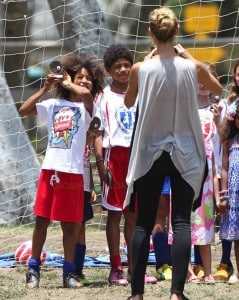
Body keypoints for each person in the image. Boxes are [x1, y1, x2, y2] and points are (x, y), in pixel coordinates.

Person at [123, 7, 222, 300]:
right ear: (177, 31)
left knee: (143, 221)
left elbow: (129, 102)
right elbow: (216, 87)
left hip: (150, 151)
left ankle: (137, 294)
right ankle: (177, 293)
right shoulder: (193, 67)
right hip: (186, 150)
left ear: (151, 33)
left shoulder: (142, 68)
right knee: (180, 222)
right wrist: (187, 56)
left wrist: (147, 60)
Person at [19, 54, 104, 288]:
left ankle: (68, 274)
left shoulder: (88, 107)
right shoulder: (54, 105)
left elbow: (86, 94)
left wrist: (67, 81)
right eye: (80, 77)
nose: (85, 81)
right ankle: (33, 269)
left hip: (73, 173)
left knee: (70, 225)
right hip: (50, 171)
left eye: (88, 78)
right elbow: (24, 110)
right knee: (41, 221)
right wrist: (46, 87)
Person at [94, 44, 137, 286]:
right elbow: (98, 131)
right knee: (115, 214)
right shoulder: (103, 96)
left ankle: (134, 267)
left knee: (134, 214)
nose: (122, 69)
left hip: (137, 157)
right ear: (110, 70)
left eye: (126, 65)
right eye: (117, 66)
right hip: (115, 158)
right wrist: (100, 162)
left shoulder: (139, 93)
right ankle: (115, 268)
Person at [188, 62, 220, 284]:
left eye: (206, 78)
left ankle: (208, 272)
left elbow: (219, 151)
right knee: (183, 223)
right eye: (197, 78)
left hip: (208, 178)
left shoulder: (216, 112)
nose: (201, 84)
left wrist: (218, 121)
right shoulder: (185, 109)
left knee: (204, 224)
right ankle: (188, 272)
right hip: (186, 173)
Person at [213, 61, 239, 283]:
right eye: (238, 74)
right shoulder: (230, 102)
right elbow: (223, 158)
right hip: (233, 181)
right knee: (234, 225)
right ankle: (229, 265)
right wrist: (223, 192)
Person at [152, 177, 172, 281]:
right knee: (160, 215)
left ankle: (173, 263)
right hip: (162, 175)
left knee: (175, 220)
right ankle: (162, 265)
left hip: (181, 171)